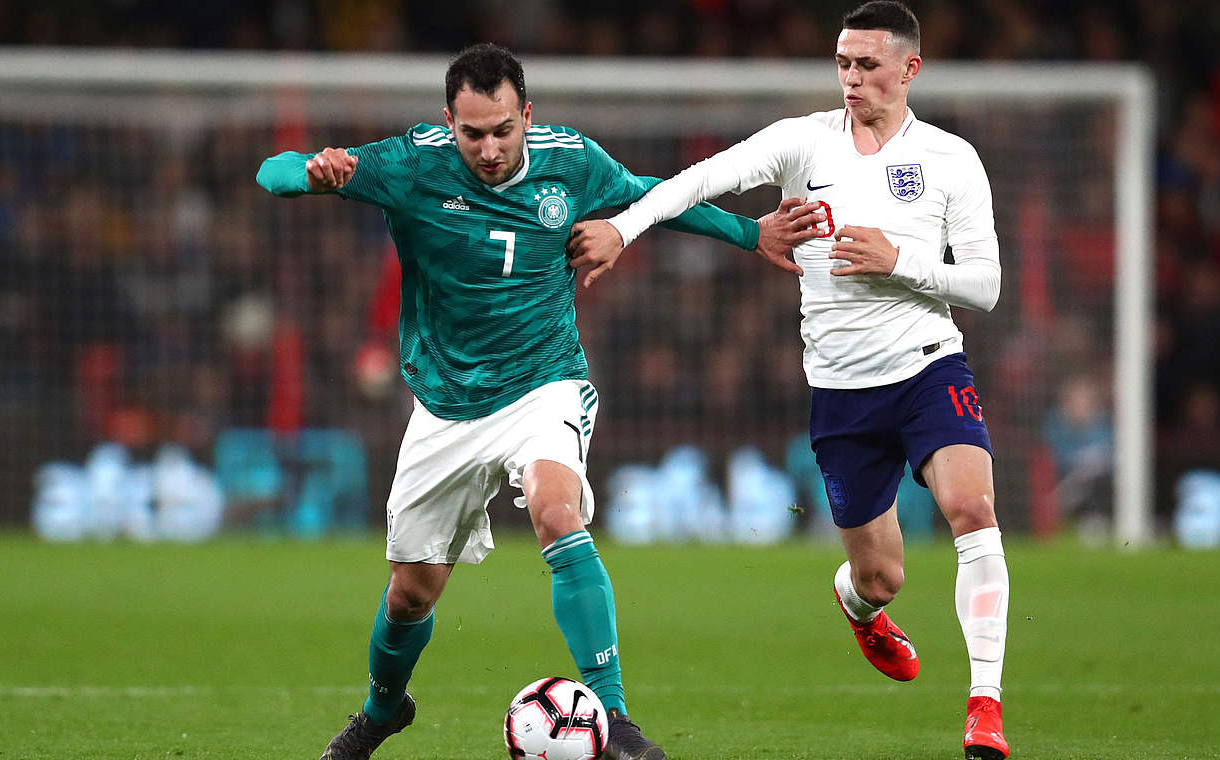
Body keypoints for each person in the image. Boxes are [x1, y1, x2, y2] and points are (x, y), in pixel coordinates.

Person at [256, 43, 815, 760]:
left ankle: (613, 722)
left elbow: (646, 194)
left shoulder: (571, 160)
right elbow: (272, 175)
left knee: (557, 511)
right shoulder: (410, 163)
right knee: (411, 595)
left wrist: (748, 231)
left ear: (527, 115)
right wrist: (310, 172)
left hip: (543, 382)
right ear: (447, 123)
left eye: (502, 131)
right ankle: (382, 710)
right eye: (472, 134)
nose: (489, 150)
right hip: (446, 403)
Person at [567, 3, 1011, 758]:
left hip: (930, 364)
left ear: (910, 70)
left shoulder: (950, 159)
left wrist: (900, 263)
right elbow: (697, 182)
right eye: (843, 63)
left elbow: (986, 286)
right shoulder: (802, 143)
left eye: (868, 65)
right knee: (882, 577)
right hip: (841, 391)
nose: (852, 78)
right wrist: (623, 229)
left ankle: (984, 711)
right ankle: (856, 604)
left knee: (972, 508)